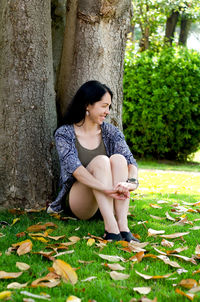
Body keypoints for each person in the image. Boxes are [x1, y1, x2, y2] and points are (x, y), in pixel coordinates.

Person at [47, 80, 139, 242]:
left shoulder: (110, 132)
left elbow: (131, 162)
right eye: (104, 106)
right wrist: (105, 189)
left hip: (109, 201)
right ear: (87, 105)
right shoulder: (65, 133)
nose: (108, 111)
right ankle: (111, 229)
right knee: (102, 161)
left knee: (119, 159)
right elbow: (76, 170)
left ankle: (123, 228)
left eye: (109, 107)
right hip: (81, 203)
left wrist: (131, 182)